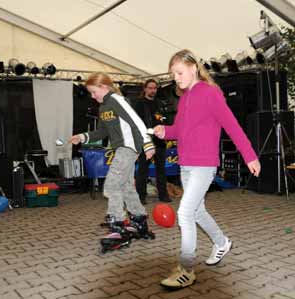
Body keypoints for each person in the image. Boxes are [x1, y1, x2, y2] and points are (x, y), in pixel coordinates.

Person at [153, 49, 261, 289]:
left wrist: (250, 156)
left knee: (184, 213)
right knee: (197, 212)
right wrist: (164, 131)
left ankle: (186, 269)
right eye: (173, 75)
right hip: (186, 164)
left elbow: (232, 126)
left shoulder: (210, 93)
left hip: (204, 164)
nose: (176, 78)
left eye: (179, 72)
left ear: (193, 68)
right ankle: (222, 243)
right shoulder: (185, 98)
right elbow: (178, 131)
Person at [70, 72, 156, 251]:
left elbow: (137, 122)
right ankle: (139, 220)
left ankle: (118, 225)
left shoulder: (117, 99)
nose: (93, 97)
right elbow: (101, 132)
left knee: (111, 185)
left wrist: (148, 144)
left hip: (129, 147)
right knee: (125, 186)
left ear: (104, 87)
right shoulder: (103, 108)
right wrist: (82, 136)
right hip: (121, 149)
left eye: (94, 92)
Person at [133, 79, 172, 204]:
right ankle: (140, 196)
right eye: (150, 88)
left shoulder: (160, 104)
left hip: (160, 141)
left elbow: (165, 120)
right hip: (146, 142)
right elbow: (135, 123)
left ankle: (163, 195)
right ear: (144, 89)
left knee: (161, 169)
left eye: (154, 88)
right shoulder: (138, 104)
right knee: (142, 169)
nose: (152, 90)